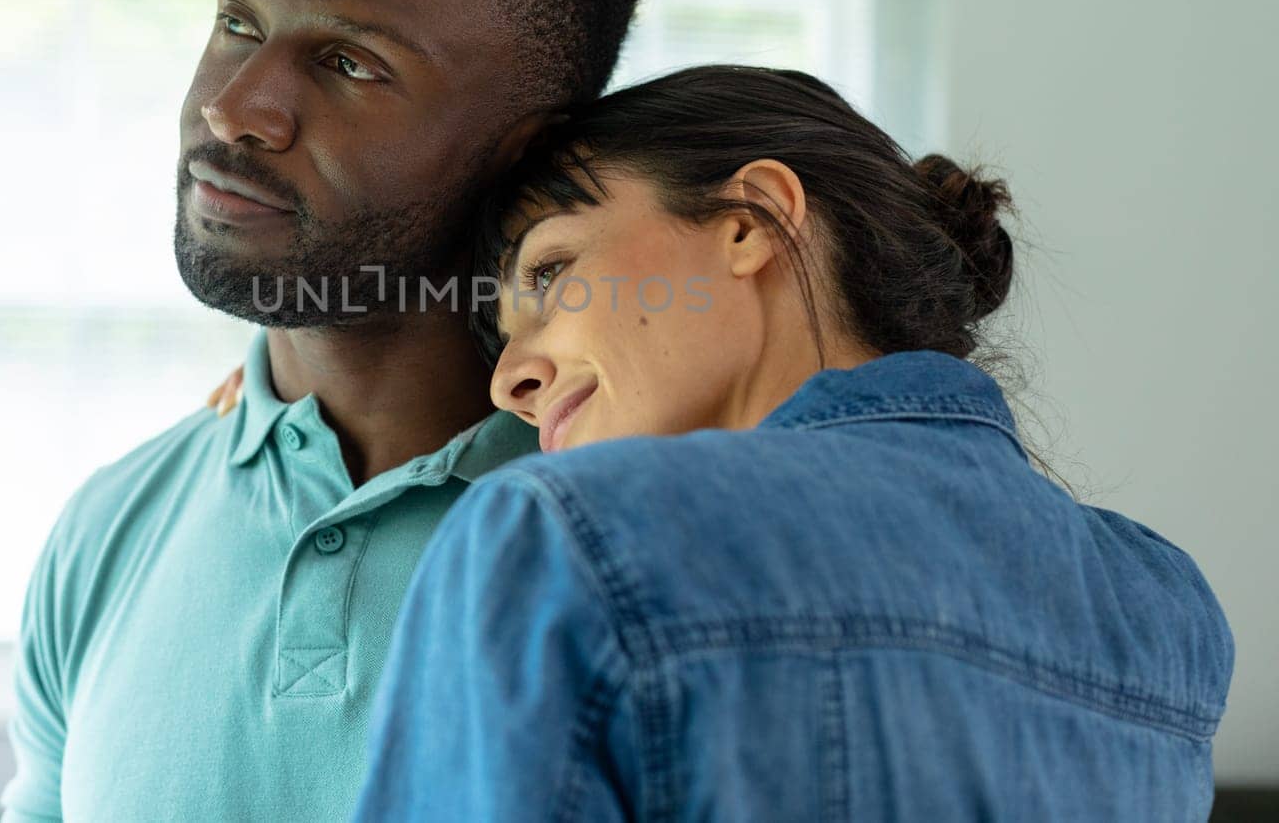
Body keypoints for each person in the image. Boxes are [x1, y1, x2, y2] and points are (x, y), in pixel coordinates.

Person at [0, 0, 651, 823]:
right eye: (236, 20)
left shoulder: (664, 548)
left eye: (349, 63)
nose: (234, 104)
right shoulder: (111, 525)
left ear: (529, 151)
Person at [341, 65, 1236, 820]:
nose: (509, 381)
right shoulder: (1162, 602)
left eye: (552, 271)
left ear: (753, 220)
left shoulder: (563, 534)